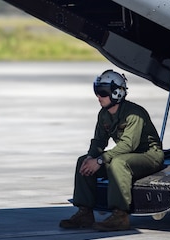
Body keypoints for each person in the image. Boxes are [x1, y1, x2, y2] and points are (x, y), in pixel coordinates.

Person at [59, 70, 164, 231]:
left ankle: (120, 215)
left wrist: (100, 160)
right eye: (97, 91)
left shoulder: (134, 114)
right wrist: (91, 157)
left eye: (103, 93)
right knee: (83, 161)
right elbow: (99, 141)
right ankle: (85, 212)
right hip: (126, 156)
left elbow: (129, 145)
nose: (98, 97)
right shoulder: (104, 114)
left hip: (148, 156)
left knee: (118, 163)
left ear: (117, 93)